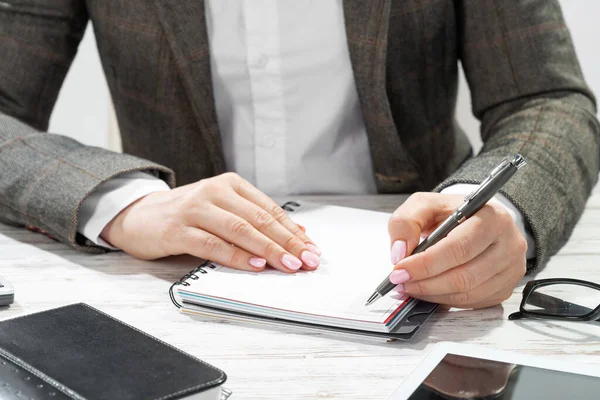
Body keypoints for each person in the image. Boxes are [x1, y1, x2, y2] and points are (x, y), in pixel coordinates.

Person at [0, 1, 598, 309]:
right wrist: (127, 202)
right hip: (169, 291)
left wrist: (493, 210)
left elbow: (546, 97)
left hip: (421, 287)